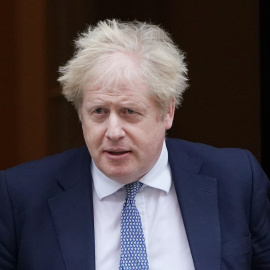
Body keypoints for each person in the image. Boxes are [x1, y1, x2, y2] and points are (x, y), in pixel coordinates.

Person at [0, 19, 270, 270]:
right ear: (80, 114)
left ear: (167, 112)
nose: (113, 132)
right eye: (99, 112)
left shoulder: (236, 180)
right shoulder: (20, 196)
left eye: (129, 111)